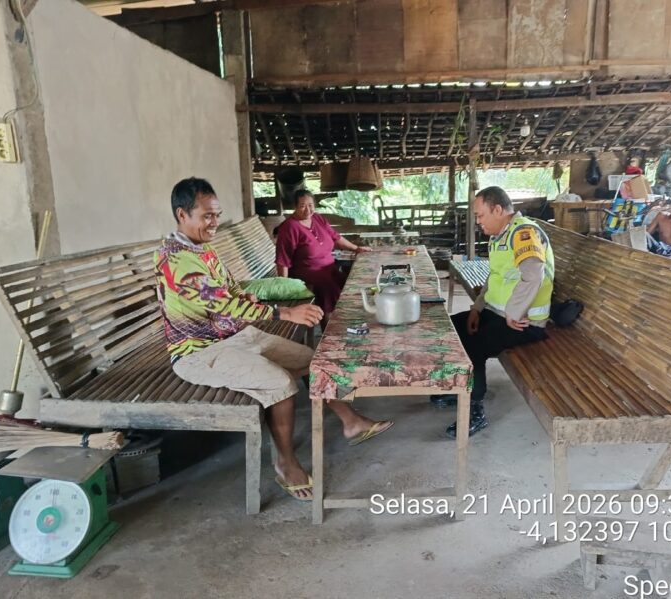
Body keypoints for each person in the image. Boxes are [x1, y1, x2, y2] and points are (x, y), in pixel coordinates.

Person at [154, 178, 393, 501]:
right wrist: (284, 313)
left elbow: (233, 290)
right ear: (182, 215)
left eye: (217, 215)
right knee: (279, 383)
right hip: (198, 351)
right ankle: (285, 463)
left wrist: (275, 307)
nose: (214, 223)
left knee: (310, 360)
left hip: (235, 335)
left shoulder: (202, 248)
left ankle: (351, 422)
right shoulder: (177, 259)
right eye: (207, 216)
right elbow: (222, 302)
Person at [432, 186, 554, 439]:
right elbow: (494, 277)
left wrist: (514, 311)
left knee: (473, 346)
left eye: (480, 215)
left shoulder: (524, 233)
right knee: (449, 328)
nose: (478, 222)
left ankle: (475, 410)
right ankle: (464, 386)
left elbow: (533, 275)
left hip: (524, 323)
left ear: (498, 209)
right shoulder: (501, 236)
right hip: (497, 313)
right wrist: (477, 308)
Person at [275, 190, 371, 324]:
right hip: (307, 272)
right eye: (302, 206)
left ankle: (347, 322)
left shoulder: (317, 218)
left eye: (311, 205)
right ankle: (328, 327)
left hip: (328, 267)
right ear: (295, 207)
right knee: (328, 288)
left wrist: (356, 248)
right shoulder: (289, 227)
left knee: (349, 284)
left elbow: (335, 237)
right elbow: (283, 259)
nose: (308, 210)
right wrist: (283, 286)